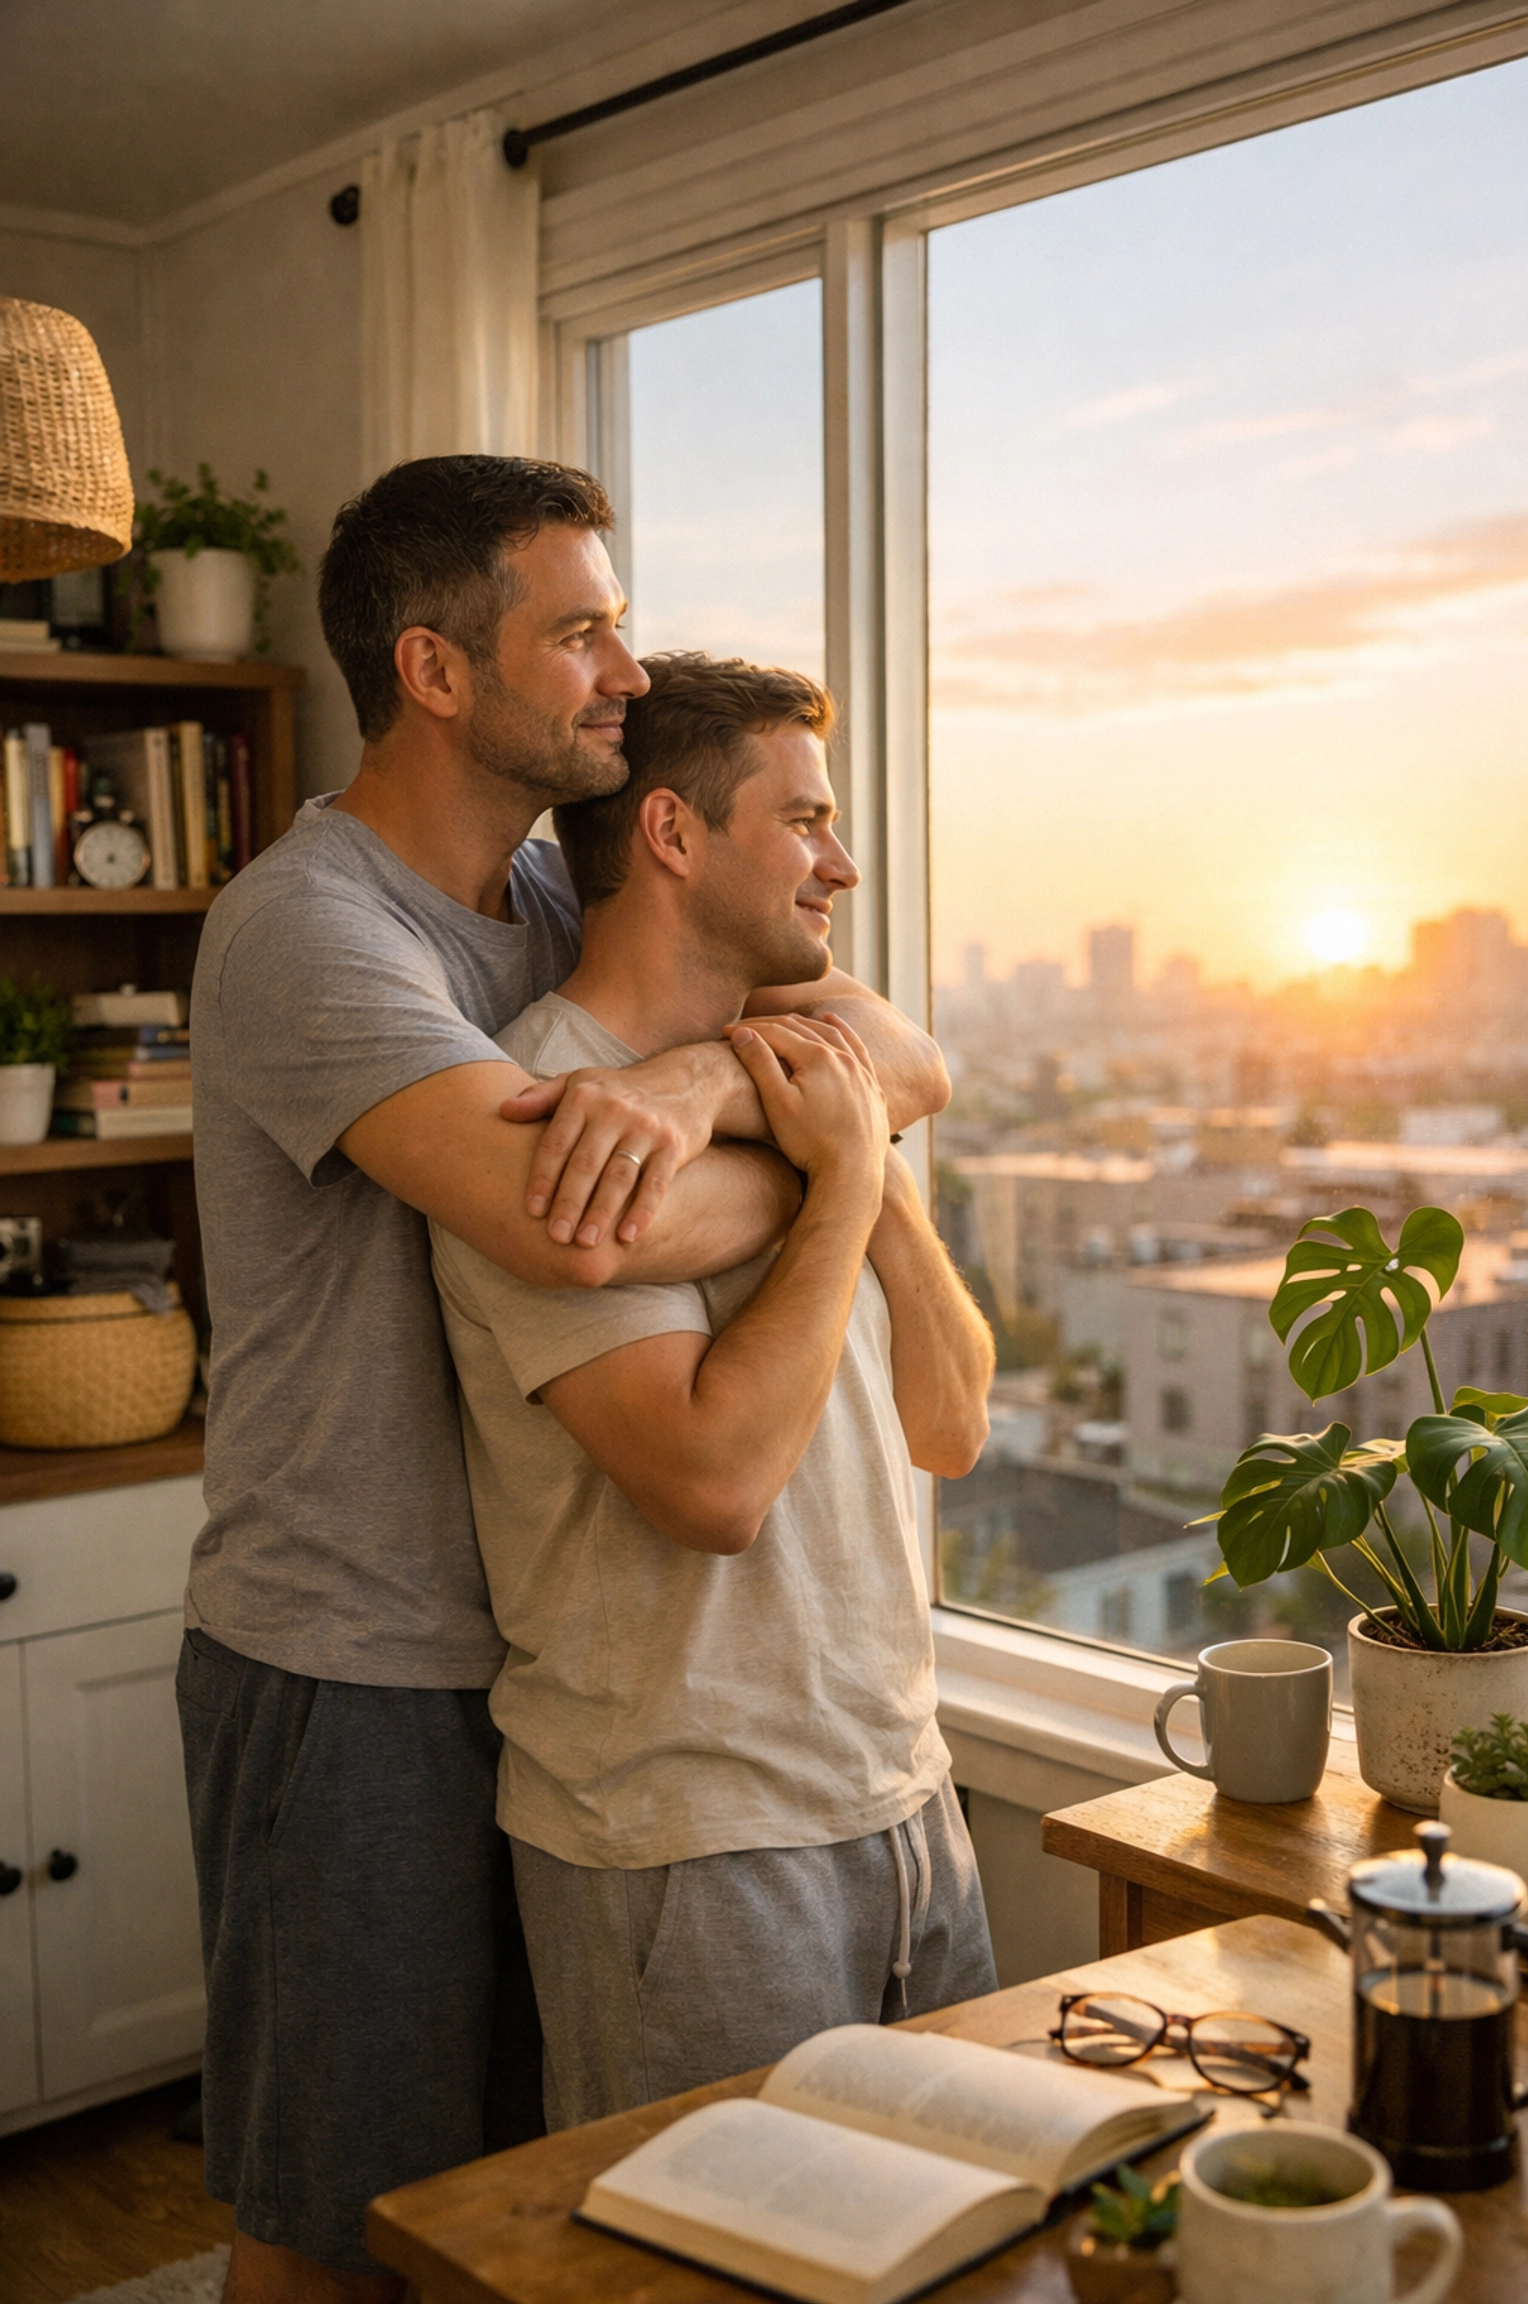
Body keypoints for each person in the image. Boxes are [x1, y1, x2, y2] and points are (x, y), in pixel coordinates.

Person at [180, 459, 948, 2303]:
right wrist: (833, 1163)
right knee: (338, 2214)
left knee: (533, 2208)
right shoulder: (313, 930)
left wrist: (696, 1091)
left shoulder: (545, 900)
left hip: (545, 1662)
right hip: (348, 1652)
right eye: (580, 628)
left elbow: (906, 1055)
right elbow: (573, 1232)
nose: (620, 666)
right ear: (438, 672)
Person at [430, 651, 998, 2128]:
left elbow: (953, 1419)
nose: (844, 863)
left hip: (902, 1792)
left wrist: (855, 1160)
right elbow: (714, 1487)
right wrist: (836, 1180)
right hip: (686, 1835)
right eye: (803, 820)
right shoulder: (545, 1113)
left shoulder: (808, 1067)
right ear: (674, 835)